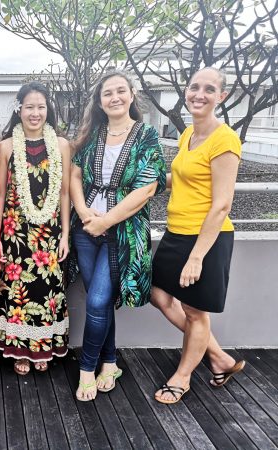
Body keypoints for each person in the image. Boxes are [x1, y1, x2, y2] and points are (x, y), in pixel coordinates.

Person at [70, 71, 166, 401]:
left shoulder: (147, 134)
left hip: (122, 233)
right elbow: (76, 173)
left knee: (97, 301)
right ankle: (110, 363)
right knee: (100, 300)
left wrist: (106, 220)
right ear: (99, 101)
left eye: (120, 91)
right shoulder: (93, 133)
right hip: (85, 230)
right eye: (107, 93)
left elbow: (148, 187)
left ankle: (87, 370)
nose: (114, 97)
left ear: (131, 95)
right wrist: (84, 213)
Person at [151, 67, 245, 404]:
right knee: (159, 296)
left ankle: (184, 376)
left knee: (194, 312)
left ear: (222, 96)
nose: (199, 94)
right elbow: (181, 177)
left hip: (206, 238)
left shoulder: (225, 139)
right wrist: (146, 184)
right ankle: (219, 357)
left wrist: (196, 257)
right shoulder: (188, 134)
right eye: (194, 87)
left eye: (209, 89)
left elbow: (222, 204)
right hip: (176, 231)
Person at [0, 82, 71, 375]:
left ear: (48, 109)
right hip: (15, 232)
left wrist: (65, 234)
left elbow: (64, 193)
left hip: (49, 233)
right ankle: (19, 350)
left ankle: (43, 347)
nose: (35, 113)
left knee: (46, 291)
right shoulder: (6, 147)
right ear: (19, 109)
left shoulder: (61, 145)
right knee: (18, 291)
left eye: (40, 107)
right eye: (29, 107)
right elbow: (0, 194)